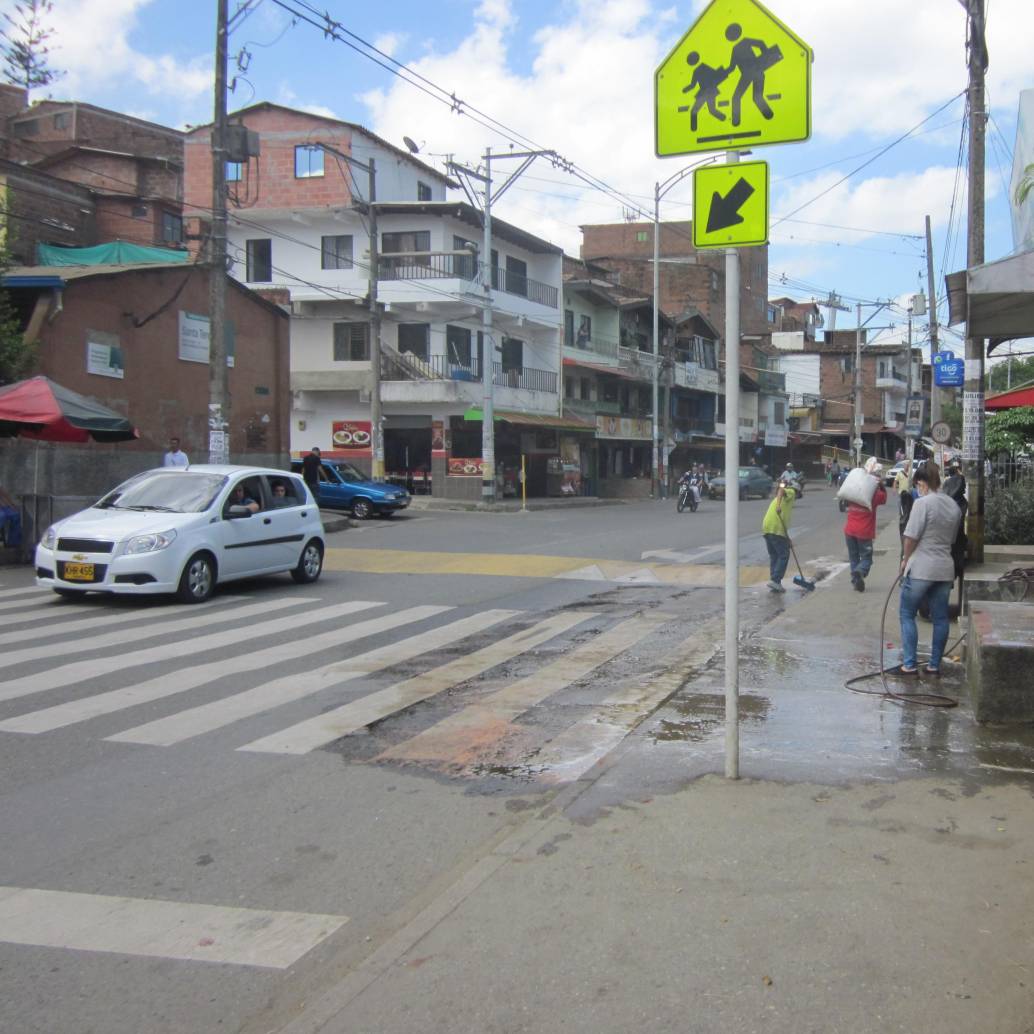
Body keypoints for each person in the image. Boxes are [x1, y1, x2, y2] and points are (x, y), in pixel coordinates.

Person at [898, 462, 962, 676]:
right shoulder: (953, 506)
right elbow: (952, 540)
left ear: (923, 483)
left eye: (918, 484)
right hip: (944, 569)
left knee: (907, 613)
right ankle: (934, 665)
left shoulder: (922, 504)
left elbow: (911, 537)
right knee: (941, 618)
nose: (917, 488)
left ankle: (909, 664)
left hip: (921, 569)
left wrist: (905, 560)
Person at [844, 466, 887, 592]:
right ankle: (859, 572)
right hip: (864, 533)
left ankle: (856, 581)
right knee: (867, 558)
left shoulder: (854, 492)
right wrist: (881, 485)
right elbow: (884, 498)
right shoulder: (874, 495)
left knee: (854, 557)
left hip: (849, 531)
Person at [762, 475, 798, 593]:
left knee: (774, 555)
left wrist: (788, 539)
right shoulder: (791, 493)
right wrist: (778, 506)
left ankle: (774, 581)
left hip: (767, 527)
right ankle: (776, 580)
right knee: (784, 555)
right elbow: (781, 489)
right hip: (776, 528)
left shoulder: (781, 500)